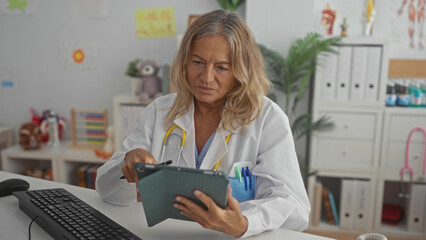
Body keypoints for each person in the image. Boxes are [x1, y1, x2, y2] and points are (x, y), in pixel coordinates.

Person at [96, 9, 310, 238]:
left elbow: (295, 207)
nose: (206, 78)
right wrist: (128, 164)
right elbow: (108, 192)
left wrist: (245, 223)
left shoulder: (267, 118)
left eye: (221, 67)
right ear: (184, 63)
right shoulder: (160, 111)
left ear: (241, 70)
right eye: (198, 62)